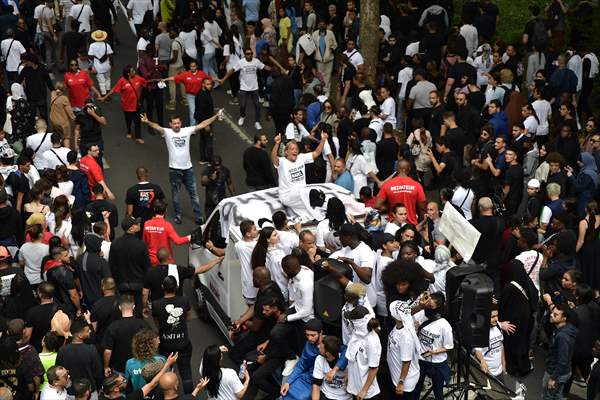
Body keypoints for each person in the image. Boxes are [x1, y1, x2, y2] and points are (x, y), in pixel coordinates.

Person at [141, 112, 221, 225]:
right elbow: (157, 127)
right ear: (170, 124)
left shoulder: (187, 130)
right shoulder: (167, 133)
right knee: (176, 194)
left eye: (178, 123)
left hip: (188, 169)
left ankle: (198, 216)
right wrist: (147, 121)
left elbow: (202, 124)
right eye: (174, 124)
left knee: (194, 194)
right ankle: (178, 215)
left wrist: (215, 117)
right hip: (174, 170)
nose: (177, 125)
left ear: (181, 123)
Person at [270, 132, 328, 218]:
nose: (295, 151)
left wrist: (323, 140)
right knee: (308, 195)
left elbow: (316, 153)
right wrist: (277, 144)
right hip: (287, 195)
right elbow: (273, 157)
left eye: (296, 149)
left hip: (301, 193)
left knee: (315, 198)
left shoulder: (301, 158)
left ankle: (323, 209)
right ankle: (317, 215)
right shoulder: (282, 161)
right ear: (286, 152)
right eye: (292, 149)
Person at [152, 276, 193, 393]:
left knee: (167, 371)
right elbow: (188, 317)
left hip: (166, 345)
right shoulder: (184, 300)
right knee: (186, 373)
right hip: (183, 344)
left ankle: (170, 392)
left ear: (162, 288)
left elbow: (157, 324)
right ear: (177, 287)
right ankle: (189, 395)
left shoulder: (156, 304)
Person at [219, 47, 273, 130]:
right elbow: (232, 70)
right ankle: (242, 116)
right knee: (243, 105)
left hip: (254, 88)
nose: (250, 55)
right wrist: (223, 79)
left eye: (251, 53)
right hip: (244, 88)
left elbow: (265, 67)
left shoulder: (256, 61)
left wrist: (276, 70)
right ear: (244, 55)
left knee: (257, 106)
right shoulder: (241, 62)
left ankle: (257, 122)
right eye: (248, 54)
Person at [413, 292, 453, 400]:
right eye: (426, 305)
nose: (427, 308)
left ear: (438, 307)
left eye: (430, 306)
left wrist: (433, 352)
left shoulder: (445, 326)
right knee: (416, 388)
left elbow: (448, 347)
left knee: (438, 392)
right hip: (420, 360)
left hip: (437, 364)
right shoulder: (419, 314)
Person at [109, 216, 150, 316]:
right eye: (136, 224)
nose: (139, 225)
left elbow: (112, 265)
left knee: (124, 306)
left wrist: (117, 280)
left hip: (122, 283)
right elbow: (146, 266)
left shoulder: (115, 244)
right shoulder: (141, 245)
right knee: (138, 305)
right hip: (137, 283)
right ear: (131, 228)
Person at [103, 294, 150, 376]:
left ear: (119, 308)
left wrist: (106, 366)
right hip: (141, 366)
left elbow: (107, 351)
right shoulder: (143, 324)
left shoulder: (113, 327)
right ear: (134, 306)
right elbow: (152, 342)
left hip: (120, 368)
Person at [56, 318, 103, 397]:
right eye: (87, 331)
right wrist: (98, 387)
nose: (90, 331)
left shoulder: (62, 350)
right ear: (80, 335)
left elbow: (58, 372)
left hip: (70, 391)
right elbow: (97, 373)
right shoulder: (91, 350)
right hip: (89, 392)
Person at [101, 65, 148, 144]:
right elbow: (113, 89)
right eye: (132, 71)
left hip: (136, 105)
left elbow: (146, 82)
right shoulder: (122, 81)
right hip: (126, 106)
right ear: (128, 74)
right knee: (128, 121)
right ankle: (129, 132)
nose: (134, 72)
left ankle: (138, 137)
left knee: (137, 122)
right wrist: (104, 97)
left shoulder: (138, 78)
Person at [344, 305, 381, 400]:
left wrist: (364, 390)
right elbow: (352, 358)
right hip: (354, 387)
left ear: (358, 323)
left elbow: (374, 369)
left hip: (366, 393)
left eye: (352, 320)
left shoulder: (372, 341)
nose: (350, 322)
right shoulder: (356, 334)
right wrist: (348, 373)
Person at [542, 303, 578, 400]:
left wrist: (553, 378)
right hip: (564, 371)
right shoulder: (566, 328)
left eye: (555, 314)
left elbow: (562, 360)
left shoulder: (562, 336)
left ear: (564, 318)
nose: (551, 315)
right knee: (557, 395)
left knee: (547, 396)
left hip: (556, 372)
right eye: (552, 312)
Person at [375, 159, 427, 225]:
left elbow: (377, 205)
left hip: (394, 224)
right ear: (409, 169)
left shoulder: (387, 185)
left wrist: (389, 207)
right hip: (411, 226)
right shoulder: (417, 185)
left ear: (397, 169)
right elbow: (422, 208)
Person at [388, 300, 421, 399]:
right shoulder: (403, 323)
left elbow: (406, 361)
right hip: (396, 377)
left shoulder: (405, 336)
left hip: (405, 383)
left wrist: (401, 382)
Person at [142, 199, 190, 265]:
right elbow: (178, 241)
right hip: (165, 260)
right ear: (166, 210)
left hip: (152, 259)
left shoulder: (146, 224)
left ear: (154, 209)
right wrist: (190, 237)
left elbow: (144, 243)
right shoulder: (167, 225)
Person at [88, 30, 114, 97]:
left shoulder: (92, 45)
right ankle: (108, 91)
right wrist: (112, 64)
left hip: (98, 66)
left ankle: (104, 94)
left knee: (101, 81)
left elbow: (90, 56)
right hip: (107, 65)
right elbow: (110, 55)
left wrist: (92, 66)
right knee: (108, 78)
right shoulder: (106, 45)